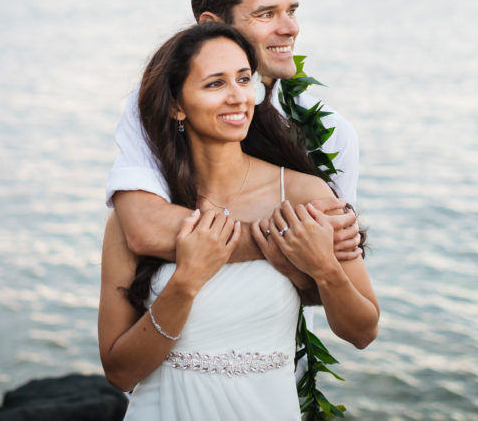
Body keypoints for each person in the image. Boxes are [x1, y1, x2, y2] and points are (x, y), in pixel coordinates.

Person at [98, 24, 379, 420]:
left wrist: (324, 269)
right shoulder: (140, 215)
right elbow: (120, 372)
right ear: (177, 105)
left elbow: (363, 332)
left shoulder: (304, 195)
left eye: (244, 79)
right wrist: (186, 281)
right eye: (215, 84)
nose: (238, 97)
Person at [106, 0, 362, 268]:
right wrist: (294, 237)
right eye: (266, 14)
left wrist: (326, 247)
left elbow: (340, 258)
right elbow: (145, 228)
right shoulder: (158, 103)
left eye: (291, 11)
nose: (290, 28)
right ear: (210, 24)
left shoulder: (333, 134)